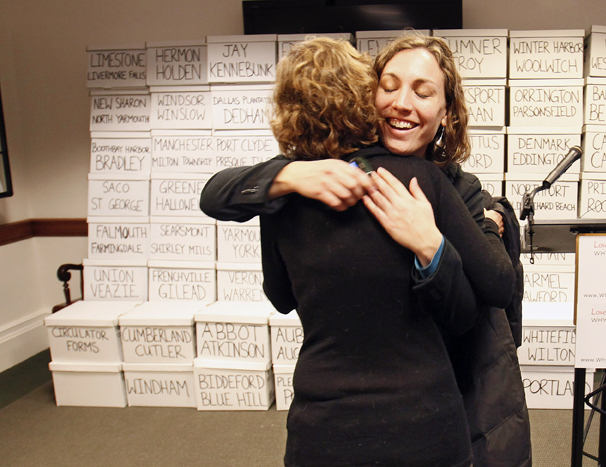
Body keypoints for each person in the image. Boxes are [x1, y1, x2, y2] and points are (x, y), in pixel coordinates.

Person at [200, 33, 531, 467]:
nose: (401, 103)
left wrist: (431, 244)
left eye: (423, 91)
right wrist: (289, 176)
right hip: (425, 417)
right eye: (389, 86)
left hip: (392, 403)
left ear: (446, 112)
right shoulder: (312, 179)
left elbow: (281, 296)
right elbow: (215, 193)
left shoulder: (458, 186)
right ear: (364, 95)